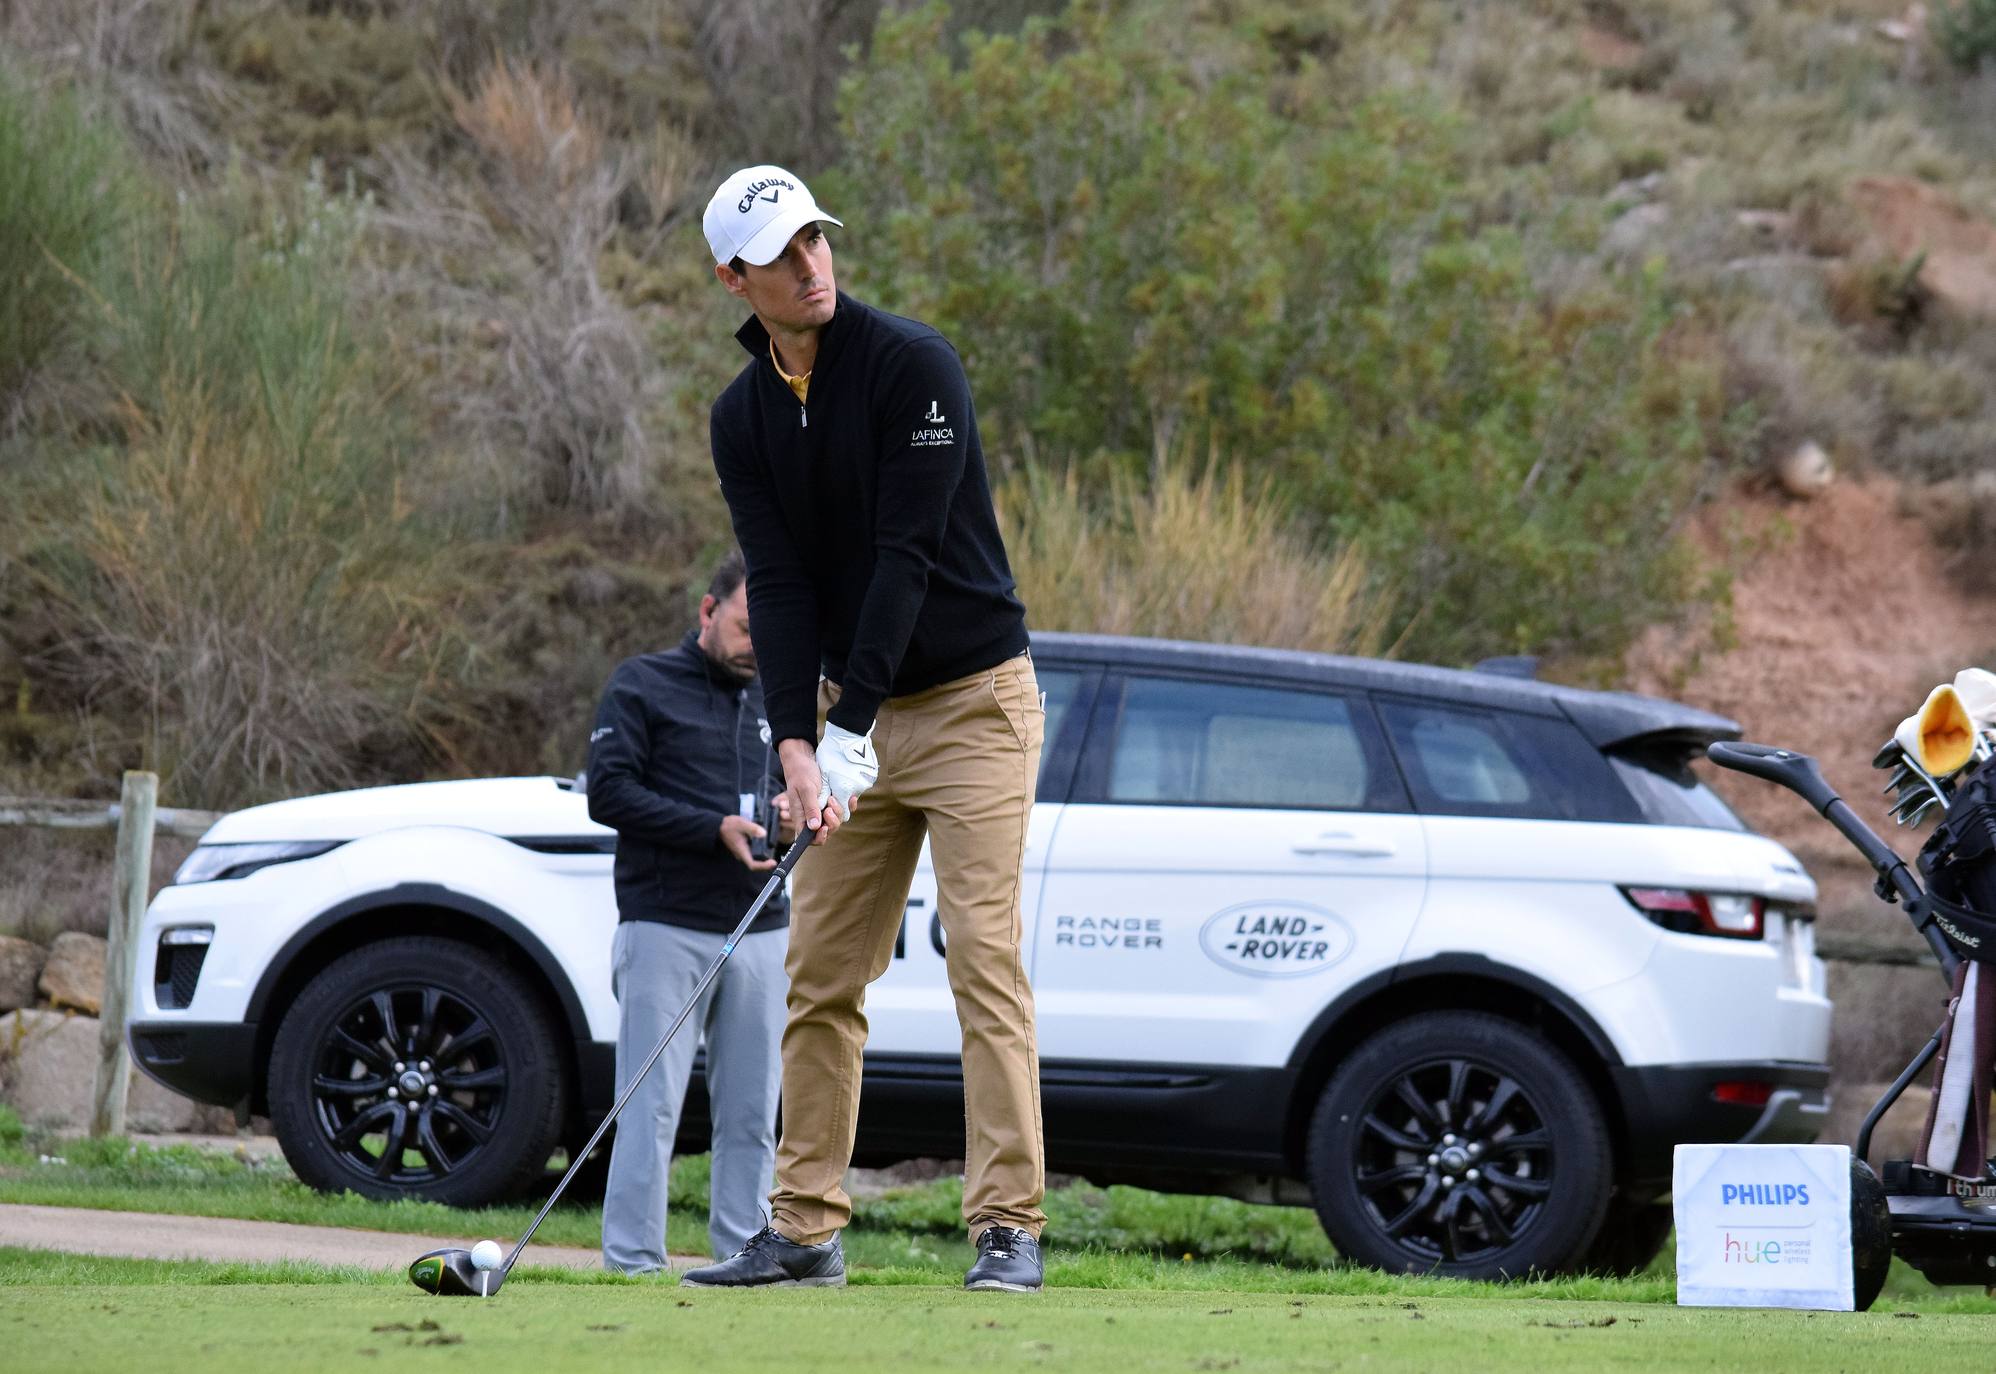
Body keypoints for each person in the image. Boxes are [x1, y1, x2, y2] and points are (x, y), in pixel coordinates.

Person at [679, 165, 1047, 1294]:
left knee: (983, 961)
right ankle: (803, 1228)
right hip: (851, 719)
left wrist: (851, 731)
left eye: (817, 241)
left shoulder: (912, 367)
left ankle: (1006, 1230)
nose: (812, 265)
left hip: (976, 703)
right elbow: (779, 585)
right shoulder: (742, 417)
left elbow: (905, 560)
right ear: (734, 279)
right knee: (822, 972)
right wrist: (796, 742)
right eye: (783, 254)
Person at [586, 550, 791, 1273]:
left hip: (761, 927)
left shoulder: (780, 699)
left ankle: (746, 1256)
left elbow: (790, 794)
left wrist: (794, 816)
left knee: (751, 1113)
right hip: (665, 923)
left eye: (768, 635)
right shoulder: (642, 683)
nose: (755, 647)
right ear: (708, 611)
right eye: (742, 627)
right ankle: (634, 1262)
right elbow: (606, 793)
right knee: (650, 1106)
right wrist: (712, 828)